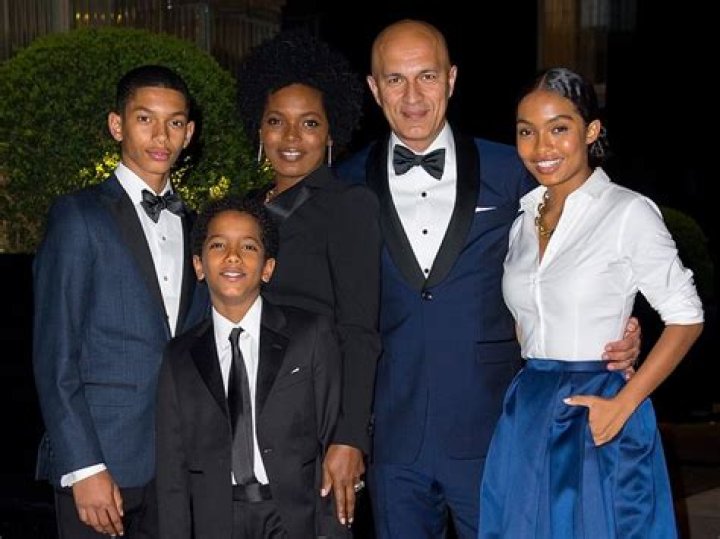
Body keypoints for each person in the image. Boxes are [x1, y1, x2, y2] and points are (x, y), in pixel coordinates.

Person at [337, 20, 642, 538]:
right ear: (374, 87)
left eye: (427, 76)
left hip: (497, 425)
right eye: (395, 79)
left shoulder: (514, 169)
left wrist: (615, 327)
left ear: (451, 79)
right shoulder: (345, 183)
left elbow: (585, 249)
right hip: (391, 437)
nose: (412, 96)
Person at [478, 67, 704, 539]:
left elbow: (686, 317)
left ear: (591, 131)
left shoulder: (627, 212)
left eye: (559, 128)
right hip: (529, 409)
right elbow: (527, 322)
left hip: (600, 408)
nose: (542, 147)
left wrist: (623, 404)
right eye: (527, 132)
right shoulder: (522, 223)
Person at [32, 65, 206, 538]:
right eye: (145, 119)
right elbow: (55, 355)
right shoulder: (78, 216)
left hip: (175, 467)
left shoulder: (197, 226)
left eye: (174, 122)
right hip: (102, 461)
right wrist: (83, 466)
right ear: (117, 125)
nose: (161, 136)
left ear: (189, 133)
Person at [236, 29, 382, 531]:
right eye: (276, 121)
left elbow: (360, 331)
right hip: (242, 419)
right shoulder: (243, 211)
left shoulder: (349, 206)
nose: (292, 138)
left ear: (330, 134)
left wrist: (350, 436)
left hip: (315, 423)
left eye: (309, 123)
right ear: (259, 129)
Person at [155, 195, 342, 538]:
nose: (233, 256)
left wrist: (332, 530)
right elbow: (171, 472)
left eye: (249, 247)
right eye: (218, 245)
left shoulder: (310, 335)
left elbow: (334, 443)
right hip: (216, 520)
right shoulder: (179, 358)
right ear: (198, 265)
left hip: (294, 517)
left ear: (268, 268)